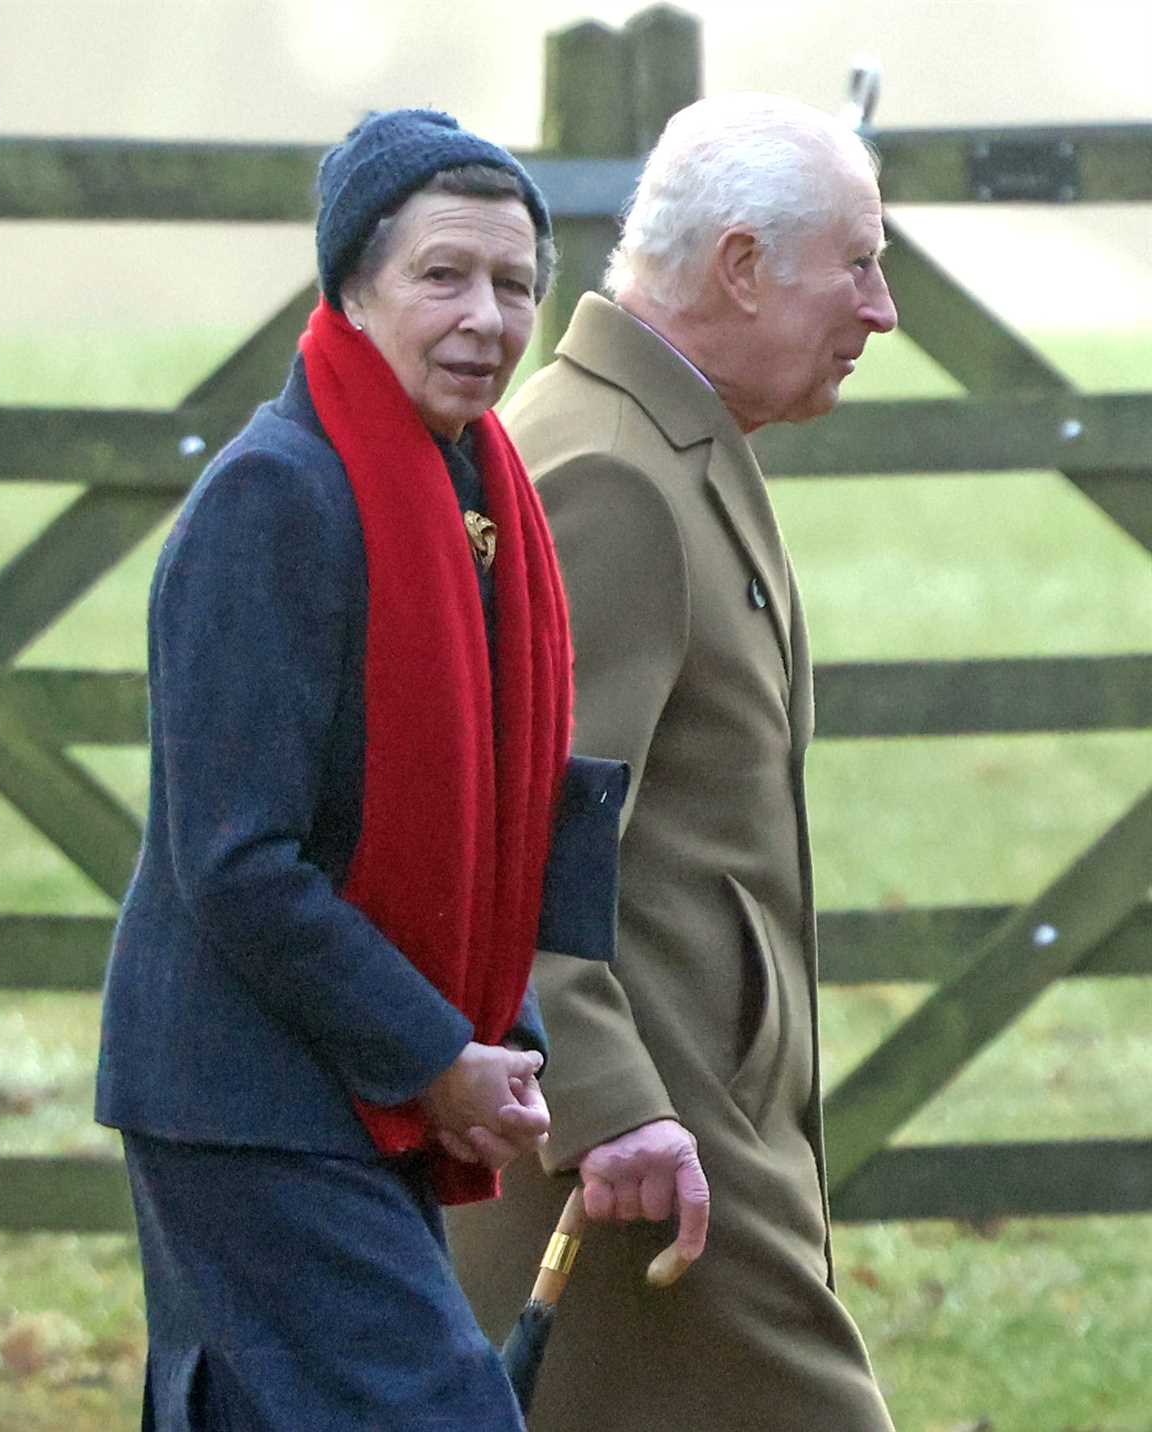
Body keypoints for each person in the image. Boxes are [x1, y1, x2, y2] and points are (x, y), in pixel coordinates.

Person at [95, 108, 575, 1430]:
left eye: (516, 283)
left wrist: (501, 1041)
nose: (486, 315)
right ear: (352, 285)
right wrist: (436, 1055)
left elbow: (489, 824)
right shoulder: (277, 499)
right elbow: (238, 864)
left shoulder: (476, 507)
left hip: (350, 1084)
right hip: (241, 1094)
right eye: (443, 276)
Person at [447, 94, 900, 1430]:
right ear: (744, 268)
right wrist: (612, 1110)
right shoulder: (615, 475)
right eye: (860, 263)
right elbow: (520, 826)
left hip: (686, 1122)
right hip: (651, 1148)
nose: (881, 310)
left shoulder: (647, 434)